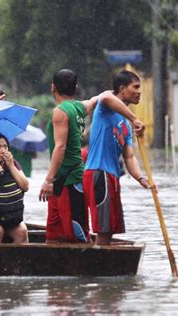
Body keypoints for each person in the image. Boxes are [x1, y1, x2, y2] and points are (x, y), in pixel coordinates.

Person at [39, 69, 144, 243]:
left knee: (76, 233)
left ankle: (86, 265)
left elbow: (60, 147)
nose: (139, 91)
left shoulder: (60, 111)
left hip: (69, 179)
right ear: (76, 88)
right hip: (64, 179)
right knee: (55, 231)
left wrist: (48, 180)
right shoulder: (79, 108)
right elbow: (98, 99)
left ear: (53, 88)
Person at [83, 70, 151, 245]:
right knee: (103, 230)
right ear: (122, 89)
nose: (139, 91)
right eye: (135, 87)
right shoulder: (106, 106)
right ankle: (97, 268)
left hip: (112, 177)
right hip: (99, 173)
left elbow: (129, 157)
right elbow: (106, 97)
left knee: (110, 229)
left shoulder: (126, 127)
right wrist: (135, 118)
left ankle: (102, 266)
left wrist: (141, 178)